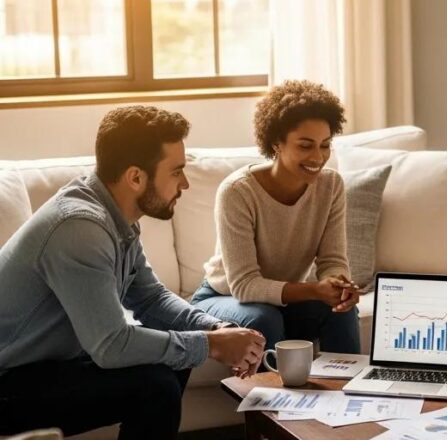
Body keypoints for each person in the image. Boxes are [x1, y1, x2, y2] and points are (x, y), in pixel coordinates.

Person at [0, 106, 265, 439]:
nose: (184, 183)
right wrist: (210, 345)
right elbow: (110, 344)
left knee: (170, 365)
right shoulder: (80, 228)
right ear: (136, 177)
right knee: (155, 386)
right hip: (8, 381)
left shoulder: (115, 217)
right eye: (176, 172)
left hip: (43, 369)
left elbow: (151, 298)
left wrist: (217, 329)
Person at [192, 80, 361, 354]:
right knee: (262, 318)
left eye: (325, 145)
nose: (318, 157)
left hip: (281, 304)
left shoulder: (331, 186)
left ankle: (350, 392)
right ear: (276, 143)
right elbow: (245, 286)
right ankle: (270, 398)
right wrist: (315, 290)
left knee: (339, 309)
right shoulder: (238, 191)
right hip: (222, 298)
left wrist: (337, 285)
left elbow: (333, 261)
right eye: (305, 146)